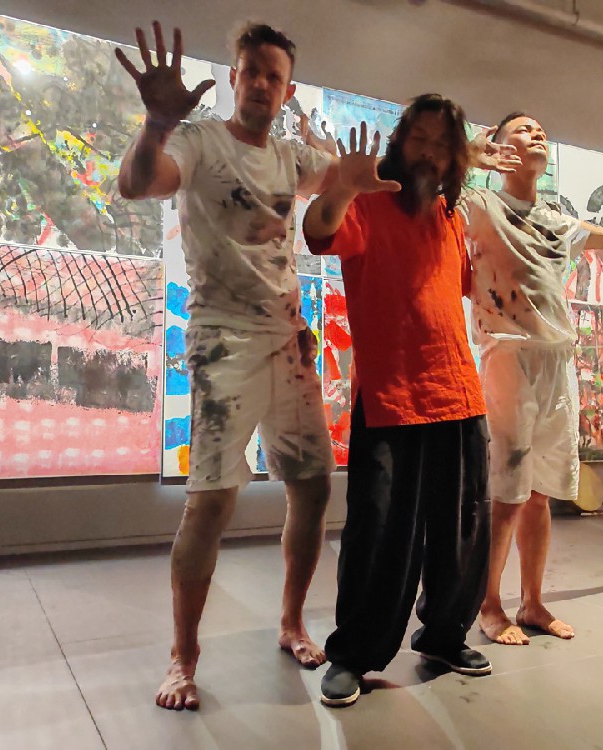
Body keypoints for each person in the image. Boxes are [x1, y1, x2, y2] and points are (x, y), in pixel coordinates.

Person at [115, 20, 339, 710]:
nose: (262, 85)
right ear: (233, 77)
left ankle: (292, 622)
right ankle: (182, 658)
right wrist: (156, 125)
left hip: (289, 341)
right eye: (252, 72)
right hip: (222, 341)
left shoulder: (291, 157)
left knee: (313, 486)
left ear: (287, 90)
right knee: (211, 501)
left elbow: (347, 179)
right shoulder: (198, 140)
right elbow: (138, 183)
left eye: (275, 76)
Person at [461, 112, 603, 645]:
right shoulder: (481, 205)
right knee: (508, 492)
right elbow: (432, 193)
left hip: (557, 361)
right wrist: (468, 159)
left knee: (542, 493)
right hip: (509, 356)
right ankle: (489, 604)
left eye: (540, 130)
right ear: (499, 149)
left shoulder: (556, 220)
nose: (536, 134)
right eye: (523, 129)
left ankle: (532, 602)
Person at [303, 95, 495, 707]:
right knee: (380, 533)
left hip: (459, 391)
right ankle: (353, 655)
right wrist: (341, 187)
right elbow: (317, 231)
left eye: (442, 144)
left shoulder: (449, 215)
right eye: (420, 138)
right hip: (391, 397)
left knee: (463, 529)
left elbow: (456, 290)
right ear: (399, 142)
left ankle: (443, 636)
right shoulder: (367, 202)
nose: (429, 153)